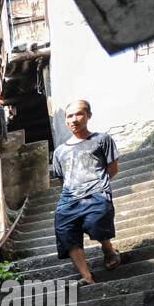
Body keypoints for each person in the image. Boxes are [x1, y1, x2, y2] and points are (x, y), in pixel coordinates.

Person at [52, 99, 121, 285]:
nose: (74, 119)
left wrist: (100, 185)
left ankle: (108, 250)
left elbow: (112, 168)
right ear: (65, 121)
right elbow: (62, 179)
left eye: (79, 114)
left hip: (97, 192)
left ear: (89, 115)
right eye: (69, 116)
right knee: (64, 228)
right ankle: (86, 276)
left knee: (96, 222)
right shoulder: (59, 152)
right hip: (69, 197)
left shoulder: (101, 139)